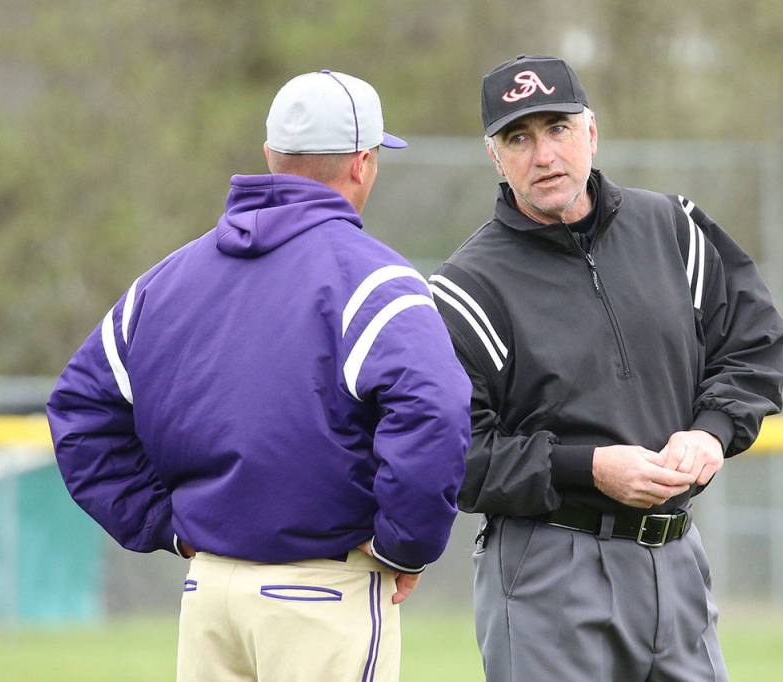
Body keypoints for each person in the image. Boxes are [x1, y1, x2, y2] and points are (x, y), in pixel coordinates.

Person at [46, 70, 472, 682]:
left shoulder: (164, 283)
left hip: (209, 596)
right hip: (323, 590)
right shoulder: (374, 279)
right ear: (362, 163)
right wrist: (404, 544)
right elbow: (436, 409)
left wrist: (165, 525)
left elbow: (80, 410)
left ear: (270, 154)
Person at [430, 55, 783, 681]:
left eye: (558, 129)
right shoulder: (468, 286)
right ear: (496, 156)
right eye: (519, 137)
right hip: (548, 567)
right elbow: (456, 454)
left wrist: (712, 429)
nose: (544, 155)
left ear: (591, 132)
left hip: (674, 558)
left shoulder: (672, 229)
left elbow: (752, 342)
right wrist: (589, 467)